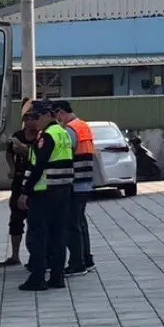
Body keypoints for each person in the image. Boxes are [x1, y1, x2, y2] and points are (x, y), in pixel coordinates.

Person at [16, 101, 73, 292]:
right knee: (58, 234)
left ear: (48, 115)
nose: (35, 121)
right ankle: (57, 277)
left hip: (45, 191)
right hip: (63, 191)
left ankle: (37, 277)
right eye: (33, 117)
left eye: (37, 117)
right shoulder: (63, 133)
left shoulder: (47, 136)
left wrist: (25, 192)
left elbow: (38, 166)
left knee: (37, 235)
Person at [55, 100, 96, 275]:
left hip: (75, 182)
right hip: (85, 180)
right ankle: (87, 259)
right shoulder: (83, 125)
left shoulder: (70, 129)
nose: (57, 119)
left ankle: (76, 263)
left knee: (72, 224)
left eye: (57, 115)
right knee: (81, 222)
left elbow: (67, 153)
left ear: (61, 112)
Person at [0, 101, 38, 267]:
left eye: (32, 118)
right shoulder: (18, 136)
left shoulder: (42, 137)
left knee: (36, 221)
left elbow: (39, 155)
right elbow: (8, 154)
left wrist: (25, 150)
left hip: (36, 181)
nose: (29, 122)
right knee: (16, 218)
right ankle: (15, 255)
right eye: (26, 118)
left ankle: (36, 256)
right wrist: (12, 168)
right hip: (19, 180)